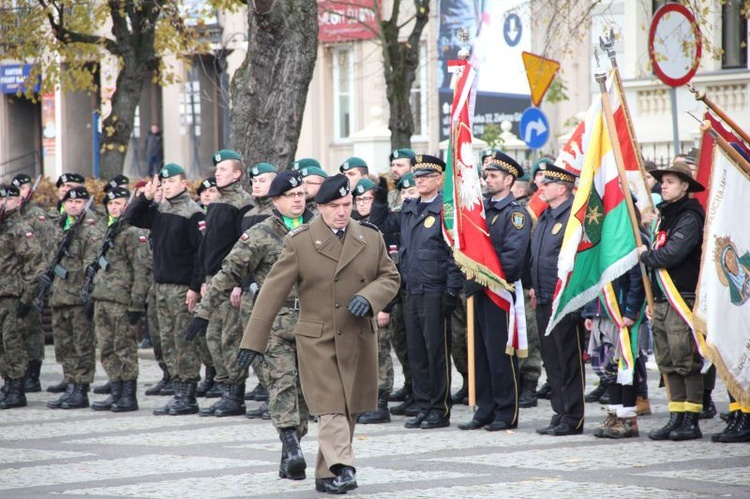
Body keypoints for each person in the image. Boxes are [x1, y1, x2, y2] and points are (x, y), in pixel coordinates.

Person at [237, 174, 400, 495]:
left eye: (347, 204)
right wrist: (253, 341)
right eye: (335, 206)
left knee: (350, 407)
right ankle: (344, 466)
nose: (343, 211)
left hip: (358, 336)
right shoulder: (299, 242)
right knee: (331, 406)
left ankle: (326, 475)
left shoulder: (370, 237)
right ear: (321, 207)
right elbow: (271, 291)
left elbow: (390, 276)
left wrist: (369, 298)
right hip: (317, 339)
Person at [192, 170, 315, 477]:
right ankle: (291, 447)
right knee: (282, 383)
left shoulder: (320, 228)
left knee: (304, 392)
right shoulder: (260, 234)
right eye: (291, 196)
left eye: (301, 194)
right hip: (274, 324)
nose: (298, 200)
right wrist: (203, 312)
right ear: (276, 200)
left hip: (313, 323)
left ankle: (292, 447)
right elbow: (228, 273)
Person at [458, 151, 530, 431]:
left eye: (493, 175)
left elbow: (512, 260)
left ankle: (505, 411)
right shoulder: (481, 211)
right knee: (480, 352)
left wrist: (482, 278)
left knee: (501, 354)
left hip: (500, 294)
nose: (486, 180)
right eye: (486, 175)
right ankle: (484, 408)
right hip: (479, 292)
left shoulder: (516, 215)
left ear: (509, 179)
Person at [126, 163, 205, 416]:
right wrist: (145, 198)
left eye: (172, 182)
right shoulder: (160, 209)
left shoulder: (194, 213)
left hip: (182, 288)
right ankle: (177, 389)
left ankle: (188, 395)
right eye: (164, 183)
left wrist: (195, 287)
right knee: (167, 340)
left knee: (184, 341)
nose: (167, 186)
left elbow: (200, 255)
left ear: (184, 183)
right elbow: (131, 218)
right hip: (160, 286)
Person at [637, 160, 706, 441]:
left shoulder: (689, 216)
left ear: (685, 186)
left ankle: (691, 418)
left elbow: (672, 254)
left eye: (670, 182)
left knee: (685, 359)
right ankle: (675, 415)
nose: (663, 186)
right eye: (662, 182)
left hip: (681, 296)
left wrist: (645, 256)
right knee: (666, 359)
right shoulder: (665, 215)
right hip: (663, 298)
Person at [398, 154, 464, 430]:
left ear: (439, 180)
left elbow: (453, 255)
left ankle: (439, 408)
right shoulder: (410, 209)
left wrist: (451, 290)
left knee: (436, 351)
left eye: (426, 176)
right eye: (417, 176)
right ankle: (423, 405)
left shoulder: (445, 210)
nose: (420, 180)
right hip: (412, 289)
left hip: (435, 289)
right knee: (417, 352)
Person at [192, 149, 254, 417]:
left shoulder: (243, 203)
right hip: (213, 280)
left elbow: (246, 248)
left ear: (237, 174)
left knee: (230, 338)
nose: (217, 173)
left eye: (224, 170)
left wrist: (240, 283)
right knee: (213, 337)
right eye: (216, 169)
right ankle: (224, 387)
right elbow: (208, 247)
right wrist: (201, 280)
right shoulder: (216, 201)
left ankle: (234, 394)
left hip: (230, 282)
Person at [530, 164, 586, 436]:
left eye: (548, 183)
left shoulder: (573, 217)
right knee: (551, 359)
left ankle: (573, 415)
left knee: (568, 359)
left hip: (563, 299)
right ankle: (560, 411)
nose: (542, 186)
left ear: (562, 188)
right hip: (542, 296)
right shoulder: (545, 216)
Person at [88, 187, 152, 412]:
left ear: (128, 205)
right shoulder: (105, 230)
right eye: (111, 204)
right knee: (106, 348)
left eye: (120, 203)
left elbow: (142, 269)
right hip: (102, 298)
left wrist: (136, 303)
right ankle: (115, 390)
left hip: (122, 300)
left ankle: (128, 395)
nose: (115, 207)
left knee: (124, 347)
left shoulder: (133, 233)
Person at [44, 186, 103, 409]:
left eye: (79, 202)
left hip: (78, 297)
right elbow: (49, 257)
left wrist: (87, 292)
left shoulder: (90, 230)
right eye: (70, 202)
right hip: (58, 297)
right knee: (64, 346)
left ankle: (81, 389)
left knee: (82, 345)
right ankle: (70, 384)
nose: (73, 205)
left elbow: (91, 264)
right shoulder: (60, 227)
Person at [0, 185, 43, 409]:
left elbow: (35, 264)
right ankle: (8, 383)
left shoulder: (20, 228)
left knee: (13, 342)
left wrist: (27, 297)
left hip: (12, 295)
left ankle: (17, 388)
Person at [12, 174, 53, 394]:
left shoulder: (37, 216)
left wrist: (40, 280)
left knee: (31, 327)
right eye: (16, 191)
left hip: (32, 279)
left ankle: (33, 373)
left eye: (24, 190)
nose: (19, 195)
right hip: (12, 281)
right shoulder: (9, 215)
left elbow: (47, 248)